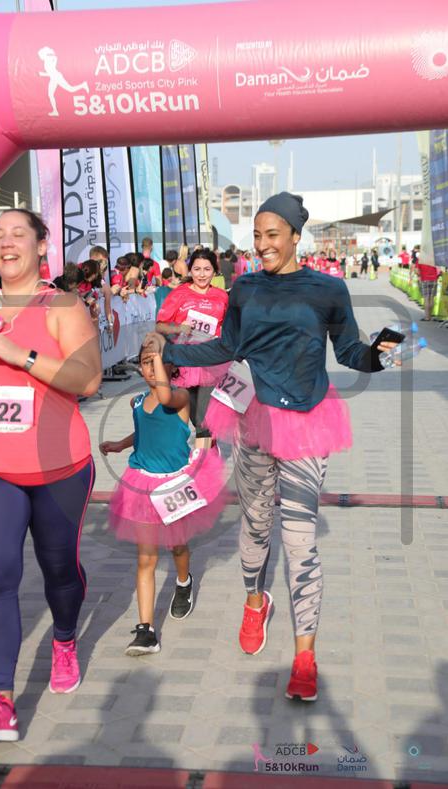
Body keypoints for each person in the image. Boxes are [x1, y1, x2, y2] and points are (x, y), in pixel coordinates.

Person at [158, 191, 400, 702]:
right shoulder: (244, 288)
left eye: (273, 234)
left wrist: (380, 355)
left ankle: (305, 655)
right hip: (253, 418)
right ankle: (255, 600)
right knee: (255, 525)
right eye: (257, 235)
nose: (263, 243)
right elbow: (227, 346)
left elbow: (350, 351)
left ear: (294, 235)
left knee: (300, 540)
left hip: (308, 422)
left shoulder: (328, 289)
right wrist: (170, 351)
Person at [0, 209, 102, 742]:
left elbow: (88, 379)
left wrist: (21, 355)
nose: (6, 243)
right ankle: (0, 702)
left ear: (41, 246)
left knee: (59, 570)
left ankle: (64, 638)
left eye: (18, 234)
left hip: (59, 467)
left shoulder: (62, 306)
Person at [99, 339, 225, 655]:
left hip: (174, 486)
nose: (151, 368)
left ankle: (183, 582)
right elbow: (145, 430)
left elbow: (165, 397)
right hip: (141, 484)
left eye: (157, 361)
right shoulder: (138, 402)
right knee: (146, 558)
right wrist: (121, 444)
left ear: (172, 366)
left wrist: (159, 355)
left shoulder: (179, 398)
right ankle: (147, 631)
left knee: (177, 545)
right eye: (145, 362)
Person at [155, 249, 229, 448]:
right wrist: (179, 328)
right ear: (190, 270)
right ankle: (182, 459)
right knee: (181, 419)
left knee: (204, 420)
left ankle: (205, 459)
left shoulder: (222, 296)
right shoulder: (179, 294)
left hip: (211, 363)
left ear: (215, 271)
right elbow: (160, 325)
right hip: (183, 363)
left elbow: (229, 328)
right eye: (197, 269)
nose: (202, 274)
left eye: (207, 269)